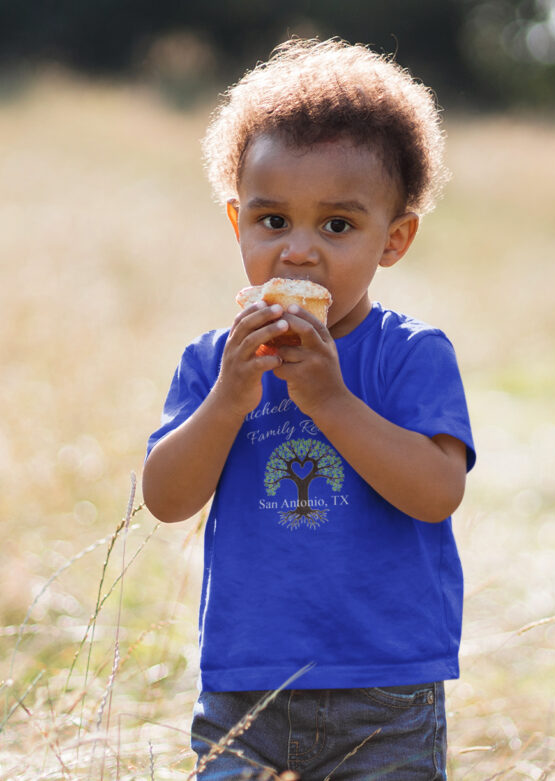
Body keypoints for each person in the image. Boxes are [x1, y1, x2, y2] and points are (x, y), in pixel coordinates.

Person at [143, 37, 476, 780]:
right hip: (246, 688)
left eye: (336, 225)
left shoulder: (410, 355)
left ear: (393, 239)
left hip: (385, 690)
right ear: (237, 224)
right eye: (272, 222)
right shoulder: (215, 361)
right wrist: (230, 398)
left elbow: (437, 492)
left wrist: (328, 398)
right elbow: (166, 499)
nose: (297, 252)